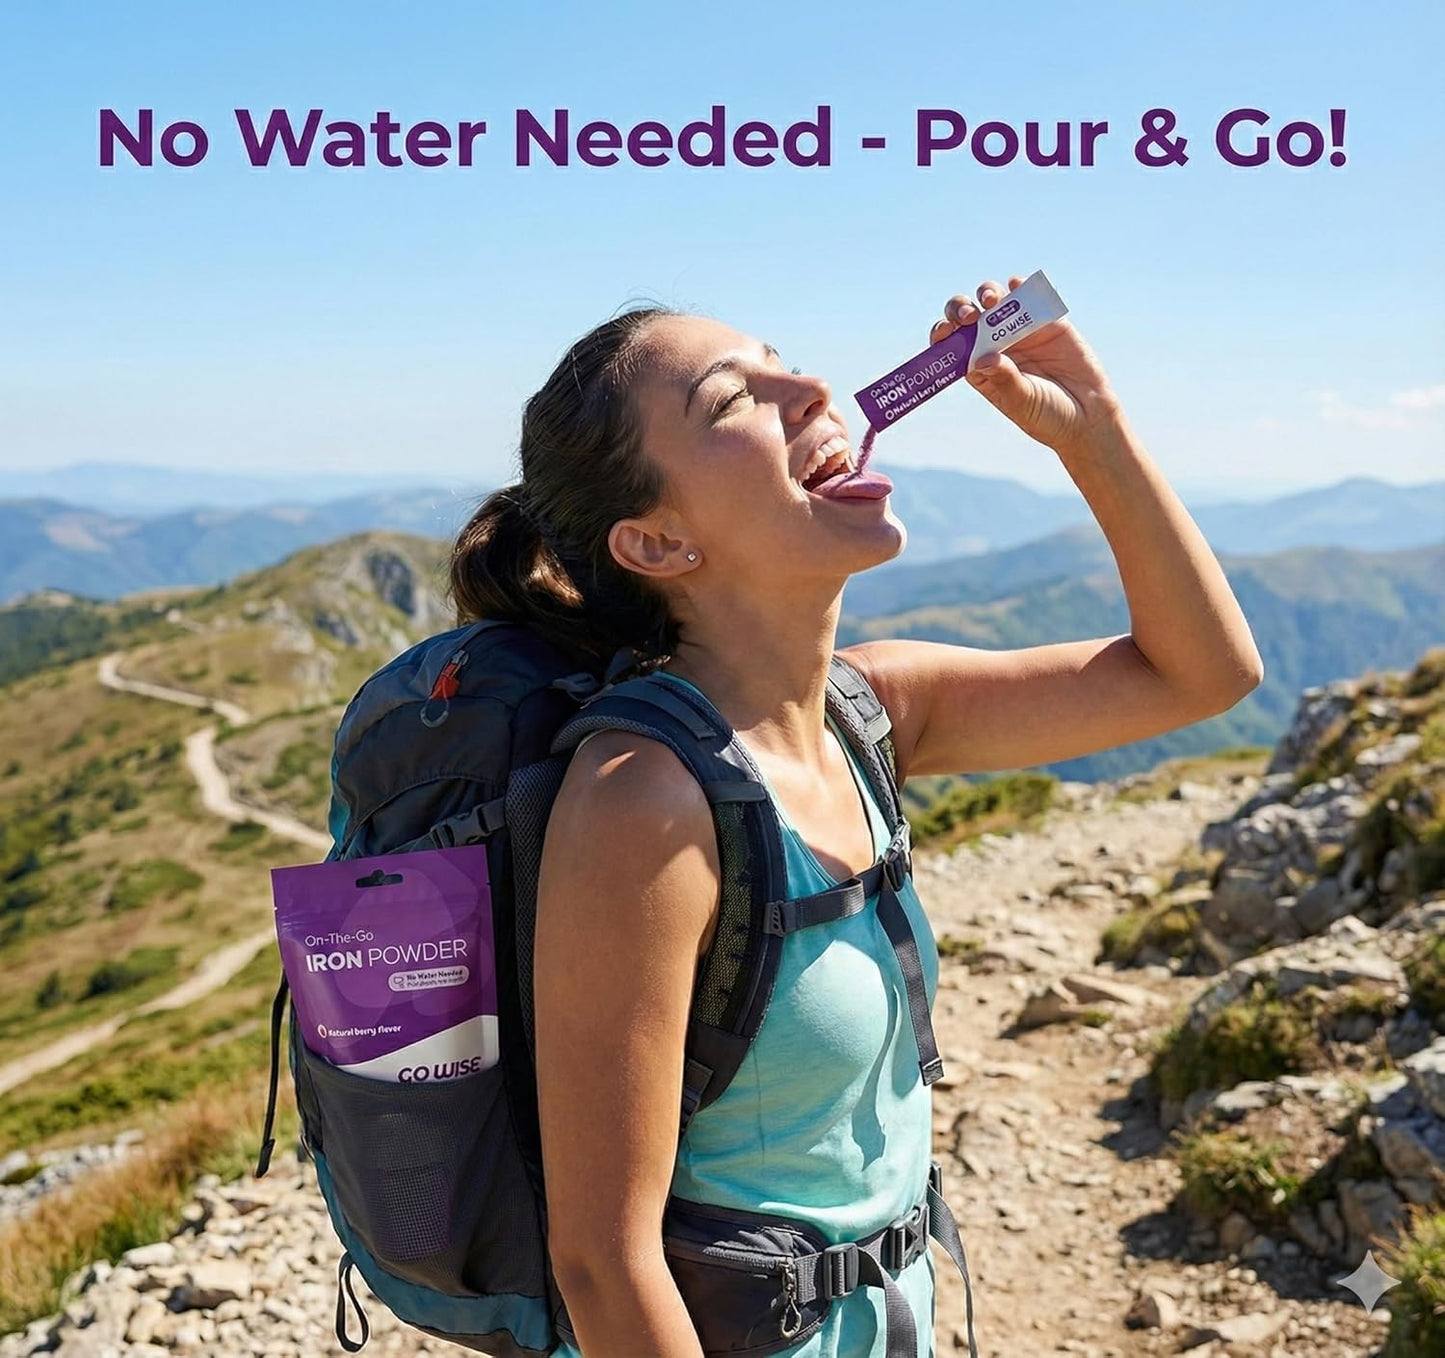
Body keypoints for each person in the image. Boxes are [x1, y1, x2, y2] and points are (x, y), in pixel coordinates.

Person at [447, 276, 1264, 1356]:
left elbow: (1198, 673)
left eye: (785, 354)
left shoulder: (870, 713)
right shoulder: (642, 800)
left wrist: (1089, 428)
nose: (810, 384)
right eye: (734, 396)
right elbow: (604, 1259)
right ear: (654, 543)